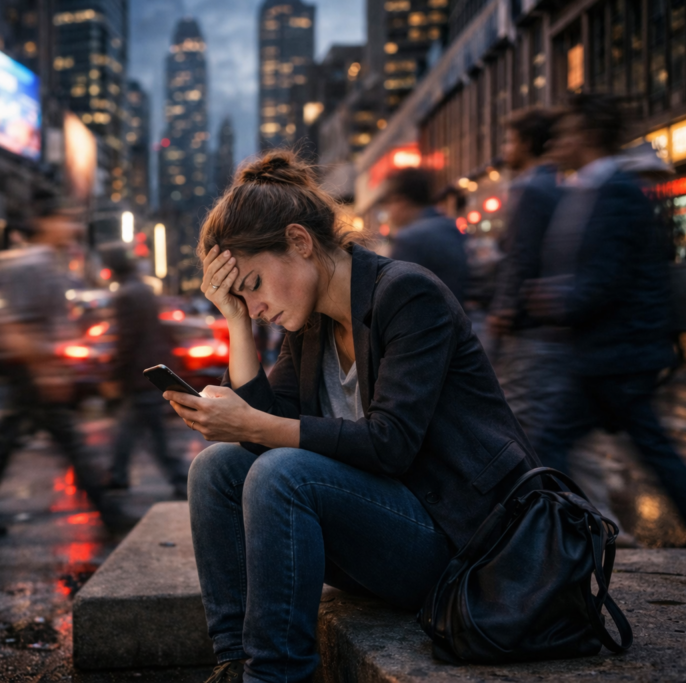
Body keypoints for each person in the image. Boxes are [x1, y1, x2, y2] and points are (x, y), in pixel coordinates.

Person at [165, 151, 540, 683]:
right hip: (386, 538)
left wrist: (252, 424)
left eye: (253, 285)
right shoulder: (310, 323)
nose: (255, 307)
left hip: (463, 546)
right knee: (216, 467)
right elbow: (264, 430)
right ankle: (233, 662)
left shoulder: (407, 295)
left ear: (300, 242)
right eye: (241, 298)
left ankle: (275, 677)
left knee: (283, 473)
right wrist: (236, 323)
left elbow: (391, 444)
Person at [526, 93, 686, 548]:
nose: (557, 141)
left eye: (566, 132)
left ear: (588, 135)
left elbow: (608, 276)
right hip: (610, 350)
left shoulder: (616, 192)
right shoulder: (594, 189)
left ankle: (573, 535)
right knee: (645, 443)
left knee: (554, 440)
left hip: (618, 351)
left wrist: (556, 302)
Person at [0, 203, 133, 535]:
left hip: (37, 368)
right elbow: (17, 323)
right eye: (67, 220)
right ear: (46, 222)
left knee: (6, 442)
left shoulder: (48, 261)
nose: (73, 228)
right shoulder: (29, 263)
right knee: (68, 443)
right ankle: (110, 515)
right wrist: (44, 371)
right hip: (32, 369)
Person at [487, 109, 564, 440]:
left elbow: (519, 254)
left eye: (509, 140)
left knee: (517, 417)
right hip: (549, 316)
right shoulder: (557, 183)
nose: (505, 148)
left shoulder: (529, 187)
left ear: (527, 143)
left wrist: (504, 307)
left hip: (527, 320)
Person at [100, 242, 188, 499]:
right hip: (150, 369)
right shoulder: (143, 289)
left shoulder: (126, 295)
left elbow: (127, 340)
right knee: (130, 427)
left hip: (141, 372)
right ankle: (118, 474)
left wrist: (115, 373)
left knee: (153, 432)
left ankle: (180, 479)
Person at [383, 167, 468, 304]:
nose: (389, 211)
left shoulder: (409, 238)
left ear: (401, 202)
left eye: (389, 203)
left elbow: (393, 294)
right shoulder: (451, 227)